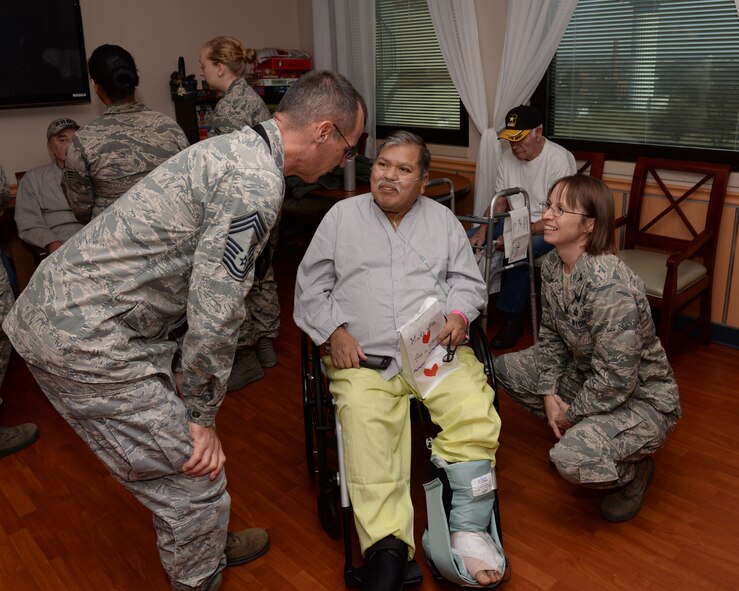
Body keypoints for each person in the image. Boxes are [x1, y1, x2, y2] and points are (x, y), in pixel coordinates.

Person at [3, 70, 367, 591]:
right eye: (349, 150)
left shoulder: (237, 145)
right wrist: (200, 415)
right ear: (326, 132)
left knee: (183, 467)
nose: (343, 162)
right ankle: (199, 576)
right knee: (193, 474)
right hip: (83, 338)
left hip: (77, 316)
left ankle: (207, 541)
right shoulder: (254, 182)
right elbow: (216, 309)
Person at [294, 131, 503, 590]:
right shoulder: (340, 218)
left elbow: (468, 283)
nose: (388, 175)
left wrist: (458, 313)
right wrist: (334, 331)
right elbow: (310, 287)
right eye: (383, 165)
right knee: (367, 428)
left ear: (423, 181)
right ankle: (387, 546)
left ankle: (467, 528)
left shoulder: (443, 222)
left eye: (403, 169)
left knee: (473, 408)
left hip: (433, 351)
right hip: (363, 356)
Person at [495, 174, 681, 523]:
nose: (547, 215)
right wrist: (549, 391)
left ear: (588, 225)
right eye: (549, 205)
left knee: (570, 460)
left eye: (560, 209)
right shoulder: (552, 265)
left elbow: (616, 379)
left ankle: (633, 474)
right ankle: (581, 433)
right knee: (505, 369)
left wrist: (569, 413)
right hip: (587, 377)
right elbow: (550, 335)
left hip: (641, 398)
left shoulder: (609, 286)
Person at [199, 36, 279, 390]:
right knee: (263, 272)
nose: (202, 74)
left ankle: (246, 358)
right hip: (267, 200)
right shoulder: (252, 98)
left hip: (243, 206)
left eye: (204, 66)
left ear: (219, 67)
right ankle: (266, 347)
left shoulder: (229, 109)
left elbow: (226, 169)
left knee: (238, 278)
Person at [470, 105, 576, 349]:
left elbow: (560, 215)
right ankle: (474, 306)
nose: (515, 147)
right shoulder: (508, 156)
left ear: (537, 133)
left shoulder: (559, 159)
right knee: (467, 240)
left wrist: (521, 233)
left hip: (550, 225)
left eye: (520, 140)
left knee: (520, 248)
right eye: (511, 140)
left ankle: (512, 318)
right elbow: (500, 201)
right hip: (514, 219)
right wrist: (483, 230)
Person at [62, 44, 189, 224]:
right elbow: (187, 186)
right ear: (135, 77)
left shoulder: (84, 140)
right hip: (171, 236)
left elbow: (81, 207)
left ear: (95, 85)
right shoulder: (170, 128)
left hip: (115, 243)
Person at [14, 118, 84, 253]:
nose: (70, 145)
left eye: (75, 139)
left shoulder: (95, 172)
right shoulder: (33, 179)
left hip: (96, 237)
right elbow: (28, 222)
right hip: (60, 242)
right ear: (50, 147)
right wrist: (51, 242)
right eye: (62, 140)